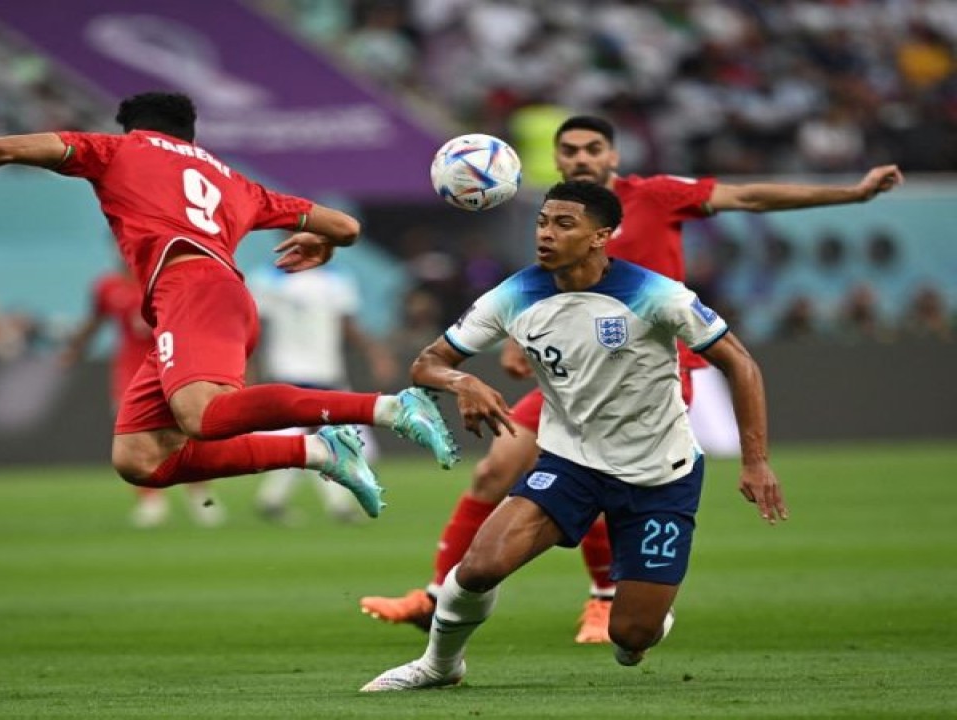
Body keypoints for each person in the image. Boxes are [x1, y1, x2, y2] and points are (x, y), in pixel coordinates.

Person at [360, 115, 902, 642]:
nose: (581, 158)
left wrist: (852, 193)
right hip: (577, 373)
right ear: (556, 160)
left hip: (648, 373)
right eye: (569, 150)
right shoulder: (560, 215)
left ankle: (606, 598)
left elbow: (750, 197)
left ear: (614, 156)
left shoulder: (658, 195)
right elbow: (544, 298)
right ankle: (439, 595)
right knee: (496, 470)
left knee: (602, 467)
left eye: (592, 148)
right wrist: (517, 343)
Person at [0, 91, 458, 519]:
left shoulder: (117, 151)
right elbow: (345, 225)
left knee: (203, 418)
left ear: (133, 127)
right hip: (207, 298)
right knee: (140, 461)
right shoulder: (233, 179)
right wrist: (324, 243)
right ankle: (319, 452)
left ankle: (388, 409)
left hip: (195, 291)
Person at [361, 181, 787, 691]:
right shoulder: (515, 294)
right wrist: (463, 382)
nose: (546, 234)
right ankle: (440, 665)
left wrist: (755, 461)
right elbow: (428, 362)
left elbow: (740, 363)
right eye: (543, 222)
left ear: (600, 236)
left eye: (564, 224)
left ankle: (646, 617)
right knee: (479, 567)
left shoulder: (656, 294)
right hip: (570, 465)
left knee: (630, 637)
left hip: (659, 475)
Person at [61, 269, 223, 528]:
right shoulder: (108, 286)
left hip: (173, 367)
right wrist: (75, 349)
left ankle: (200, 496)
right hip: (130, 372)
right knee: (134, 437)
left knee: (189, 432)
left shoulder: (167, 279)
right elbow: (95, 320)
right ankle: (150, 501)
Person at [247, 264, 398, 524]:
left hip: (316, 372)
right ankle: (336, 505)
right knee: (330, 440)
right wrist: (376, 353)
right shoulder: (272, 280)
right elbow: (255, 327)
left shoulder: (324, 281)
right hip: (299, 373)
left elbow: (346, 324)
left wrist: (375, 353)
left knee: (316, 440)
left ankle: (273, 499)